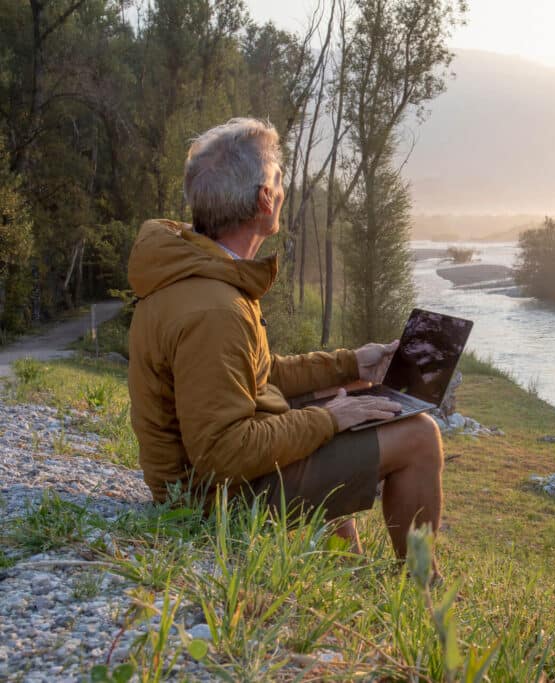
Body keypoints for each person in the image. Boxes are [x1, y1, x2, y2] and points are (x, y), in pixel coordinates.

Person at [126, 117, 444, 562]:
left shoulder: (200, 272)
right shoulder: (215, 309)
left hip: (209, 484)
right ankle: (423, 589)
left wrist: (354, 365)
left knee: (343, 400)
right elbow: (222, 453)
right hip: (208, 504)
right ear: (264, 199)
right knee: (419, 436)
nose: (283, 188)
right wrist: (331, 419)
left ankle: (346, 565)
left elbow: (257, 375)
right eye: (279, 179)